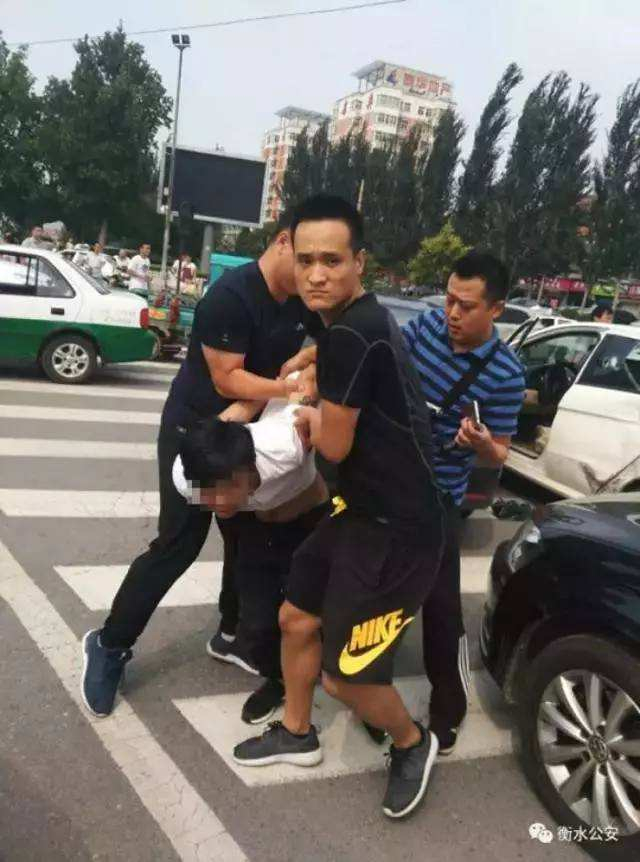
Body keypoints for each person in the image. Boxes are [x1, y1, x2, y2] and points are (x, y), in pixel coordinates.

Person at [234, 195, 447, 821]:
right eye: (305, 261)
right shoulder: (352, 321)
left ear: (360, 263)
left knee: (347, 677)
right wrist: (309, 364)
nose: (316, 274)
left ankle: (412, 742)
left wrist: (304, 410)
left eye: (331, 260)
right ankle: (297, 733)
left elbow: (332, 445)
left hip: (400, 529)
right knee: (296, 618)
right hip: (360, 512)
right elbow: (334, 362)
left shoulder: (355, 330)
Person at [81, 212, 320, 718]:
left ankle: (230, 634)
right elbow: (228, 379)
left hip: (248, 430)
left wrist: (307, 362)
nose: (314, 273)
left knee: (247, 538)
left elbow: (331, 341)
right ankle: (109, 644)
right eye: (305, 259)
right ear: (283, 241)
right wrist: (289, 388)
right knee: (178, 545)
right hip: (198, 434)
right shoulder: (231, 296)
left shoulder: (300, 299)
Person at [402, 251, 525, 755]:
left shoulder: (506, 373)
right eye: (449, 299)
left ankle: (448, 708)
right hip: (388, 480)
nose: (451, 313)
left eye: (466, 306)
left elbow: (501, 452)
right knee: (373, 591)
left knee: (440, 608)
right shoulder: (424, 328)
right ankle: (366, 690)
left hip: (440, 499)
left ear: (496, 309)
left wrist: (480, 442)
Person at [173, 378, 329, 723]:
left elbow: (305, 386)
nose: (217, 503)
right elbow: (226, 422)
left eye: (225, 490)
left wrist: (296, 379)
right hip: (260, 530)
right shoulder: (185, 477)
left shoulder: (286, 446)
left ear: (248, 469)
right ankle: (279, 679)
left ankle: (356, 686)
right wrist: (252, 401)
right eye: (207, 495)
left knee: (312, 614)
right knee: (257, 624)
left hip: (310, 524)